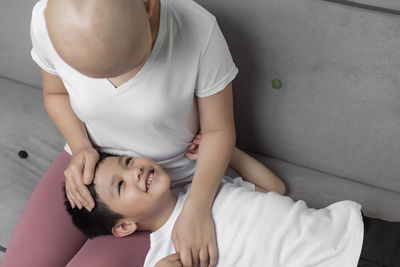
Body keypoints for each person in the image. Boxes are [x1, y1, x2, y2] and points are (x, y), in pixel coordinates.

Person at [2, 0, 237, 266]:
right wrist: (80, 146)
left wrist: (197, 208)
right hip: (91, 164)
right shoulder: (46, 18)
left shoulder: (198, 30)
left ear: (148, 5)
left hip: (170, 193)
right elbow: (56, 93)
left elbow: (219, 130)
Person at [65, 148, 400, 267]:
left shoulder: (206, 184)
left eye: (126, 161)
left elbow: (274, 188)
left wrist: (223, 152)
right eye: (121, 185)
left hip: (353, 234)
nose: (134, 170)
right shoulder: (165, 255)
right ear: (124, 226)